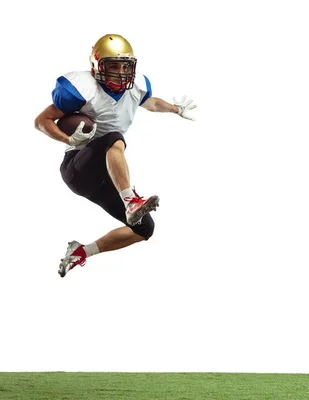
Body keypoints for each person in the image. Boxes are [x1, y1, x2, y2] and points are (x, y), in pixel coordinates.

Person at [34, 33, 196, 278]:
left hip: (105, 175)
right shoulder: (82, 88)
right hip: (78, 167)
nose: (120, 72)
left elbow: (150, 102)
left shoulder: (137, 86)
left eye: (125, 66)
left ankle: (80, 252)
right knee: (114, 138)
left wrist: (175, 109)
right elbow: (41, 120)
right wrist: (68, 139)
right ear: (97, 66)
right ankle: (131, 201)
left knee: (143, 229)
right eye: (113, 66)